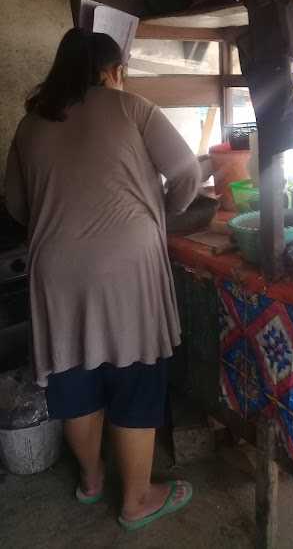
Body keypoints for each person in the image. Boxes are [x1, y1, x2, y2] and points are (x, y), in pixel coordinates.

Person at [4, 28, 201, 531]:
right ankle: (136, 500)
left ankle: (91, 481)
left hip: (55, 270)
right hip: (126, 265)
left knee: (74, 373)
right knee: (135, 374)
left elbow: (16, 206)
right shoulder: (132, 107)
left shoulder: (30, 125)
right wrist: (160, 210)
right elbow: (186, 174)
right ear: (113, 71)